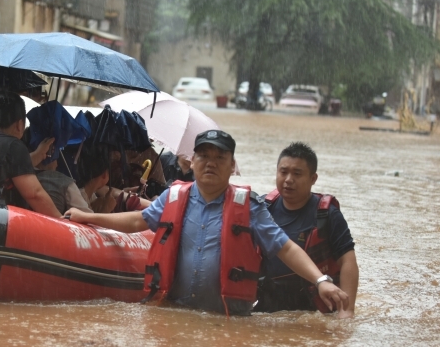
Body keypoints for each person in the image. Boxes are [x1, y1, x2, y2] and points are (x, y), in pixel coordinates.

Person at [64, 129, 349, 316]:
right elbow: (138, 220)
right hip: (175, 312)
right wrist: (88, 217)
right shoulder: (174, 196)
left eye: (219, 157)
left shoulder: (249, 207)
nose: (210, 163)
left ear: (231, 165)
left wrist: (321, 280)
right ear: (194, 161)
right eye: (204, 156)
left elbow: (285, 248)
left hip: (226, 319)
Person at [256, 142, 358, 318]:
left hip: (316, 303)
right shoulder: (262, 209)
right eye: (283, 172)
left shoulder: (327, 215)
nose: (288, 179)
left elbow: (347, 262)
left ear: (313, 179)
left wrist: (347, 310)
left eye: (297, 174)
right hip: (269, 302)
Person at [0, 92, 60, 217]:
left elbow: (12, 168)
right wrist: (61, 220)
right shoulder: (12, 145)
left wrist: (39, 154)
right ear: (19, 124)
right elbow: (34, 194)